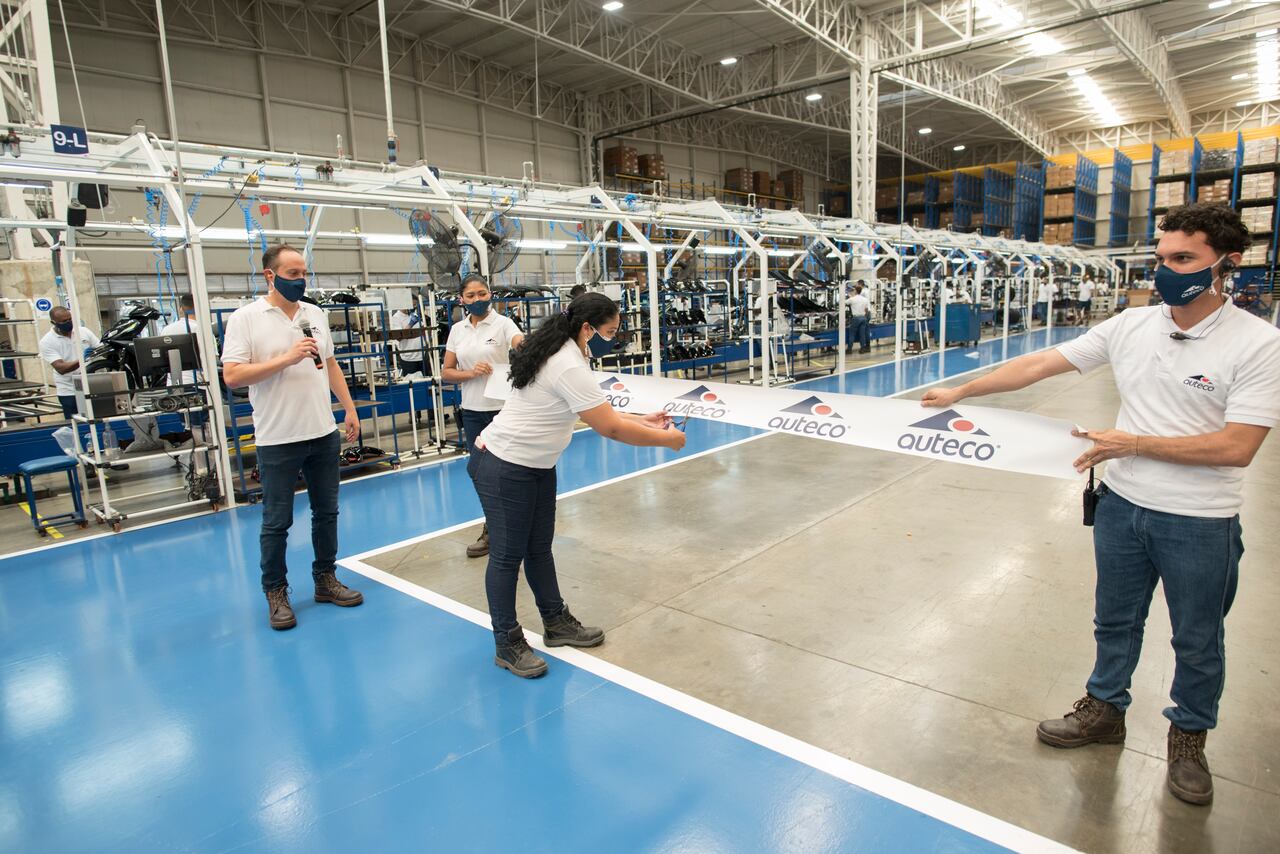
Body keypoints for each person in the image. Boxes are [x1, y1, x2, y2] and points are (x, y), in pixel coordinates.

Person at [920, 203, 1280, 807]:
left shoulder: (1258, 344)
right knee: (1114, 620)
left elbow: (1238, 446)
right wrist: (964, 388)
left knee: (1197, 639)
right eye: (1161, 258)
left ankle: (1188, 738)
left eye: (1183, 259)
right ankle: (1104, 709)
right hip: (1121, 506)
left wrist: (1132, 442)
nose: (1167, 271)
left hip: (1200, 522)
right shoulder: (1131, 325)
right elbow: (1042, 362)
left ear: (1227, 264)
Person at [470, 293, 686, 678]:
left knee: (538, 549)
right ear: (587, 327)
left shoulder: (567, 349)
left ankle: (556, 623)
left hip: (534, 465)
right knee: (506, 556)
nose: (612, 337)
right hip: (505, 465)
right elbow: (609, 428)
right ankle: (507, 641)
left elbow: (595, 409)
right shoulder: (567, 361)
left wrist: (645, 418)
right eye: (609, 331)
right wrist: (666, 440)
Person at [221, 245, 364, 631]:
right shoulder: (246, 318)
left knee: (327, 513)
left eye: (304, 272)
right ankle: (276, 591)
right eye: (293, 272)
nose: (301, 279)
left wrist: (348, 408)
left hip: (322, 432)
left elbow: (329, 363)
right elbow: (233, 376)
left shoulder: (314, 314)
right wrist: (287, 358)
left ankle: (325, 579)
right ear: (270, 275)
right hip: (277, 437)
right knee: (276, 521)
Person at [441, 274, 524, 559]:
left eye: (482, 293)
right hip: (474, 413)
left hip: (503, 411)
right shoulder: (457, 330)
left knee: (510, 471)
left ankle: (509, 527)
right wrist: (470, 373)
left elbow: (520, 343)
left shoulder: (503, 324)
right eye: (471, 295)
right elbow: (446, 372)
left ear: (491, 295)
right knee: (478, 472)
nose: (478, 299)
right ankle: (495, 526)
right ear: (462, 299)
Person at [39, 306, 101, 419]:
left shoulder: (83, 331)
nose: (68, 323)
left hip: (90, 385)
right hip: (69, 390)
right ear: (53, 322)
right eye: (64, 321)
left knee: (96, 419)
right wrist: (83, 359)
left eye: (70, 319)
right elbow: (61, 368)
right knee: (75, 425)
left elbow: (100, 348)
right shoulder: (47, 341)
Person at [389, 305, 424, 377]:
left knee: (425, 381)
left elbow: (423, 331)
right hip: (409, 357)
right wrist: (411, 324)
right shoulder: (396, 318)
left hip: (422, 355)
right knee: (411, 383)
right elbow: (398, 336)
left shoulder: (413, 315)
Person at [847, 283, 872, 354]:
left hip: (856, 318)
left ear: (855, 291)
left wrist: (850, 296)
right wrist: (865, 317)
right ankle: (862, 349)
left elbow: (844, 303)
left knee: (852, 333)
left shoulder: (852, 299)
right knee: (862, 334)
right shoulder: (865, 299)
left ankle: (849, 349)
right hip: (863, 317)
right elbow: (867, 310)